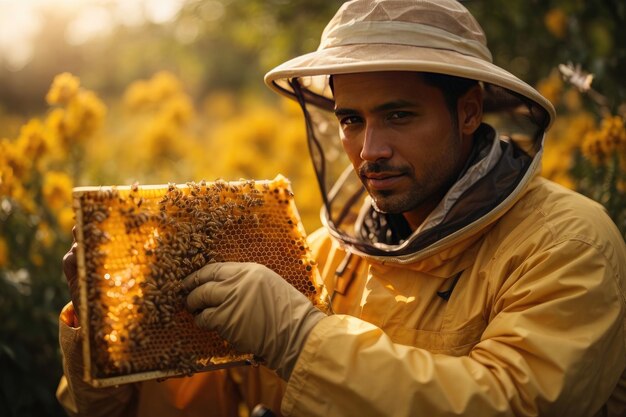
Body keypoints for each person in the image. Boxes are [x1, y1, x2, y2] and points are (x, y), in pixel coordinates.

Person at [57, 0, 626, 416]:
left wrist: (302, 341)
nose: (369, 150)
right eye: (351, 119)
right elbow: (194, 403)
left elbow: (514, 402)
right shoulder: (329, 256)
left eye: (399, 115)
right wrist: (113, 331)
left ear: (469, 111)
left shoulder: (568, 244)